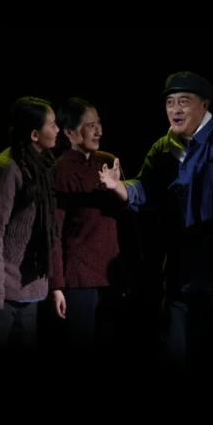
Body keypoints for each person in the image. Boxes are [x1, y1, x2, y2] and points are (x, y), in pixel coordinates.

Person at [99, 71, 213, 425]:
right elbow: (145, 190)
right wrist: (119, 188)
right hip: (182, 268)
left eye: (183, 102)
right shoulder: (164, 148)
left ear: (204, 105)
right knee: (177, 352)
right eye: (169, 102)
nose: (175, 110)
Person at [0, 96, 58, 351]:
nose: (57, 129)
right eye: (52, 124)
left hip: (29, 291)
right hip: (2, 295)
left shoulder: (43, 167)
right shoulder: (8, 169)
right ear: (34, 134)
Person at [50, 98, 123, 349]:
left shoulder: (108, 162)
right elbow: (55, 233)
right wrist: (57, 285)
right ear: (70, 132)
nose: (99, 131)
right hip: (80, 278)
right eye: (91, 125)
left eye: (99, 123)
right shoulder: (60, 170)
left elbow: (126, 219)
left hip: (112, 274)